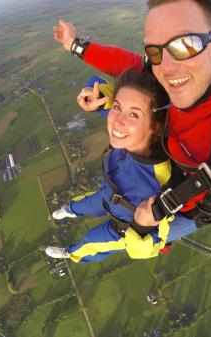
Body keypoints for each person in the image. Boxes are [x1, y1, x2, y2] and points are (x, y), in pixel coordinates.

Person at [53, 0, 211, 226]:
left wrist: (158, 213)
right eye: (155, 52)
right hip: (165, 152)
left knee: (135, 236)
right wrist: (76, 44)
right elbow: (132, 67)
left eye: (186, 45)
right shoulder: (176, 77)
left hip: (185, 199)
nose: (166, 68)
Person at [45, 69, 197, 263]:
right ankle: (69, 210)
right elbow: (95, 83)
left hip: (123, 227)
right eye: (117, 108)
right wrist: (101, 96)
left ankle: (69, 252)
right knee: (82, 204)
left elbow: (149, 246)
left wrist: (141, 228)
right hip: (105, 195)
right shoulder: (136, 133)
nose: (117, 121)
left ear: (156, 126)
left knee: (90, 243)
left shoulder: (162, 182)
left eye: (133, 114)